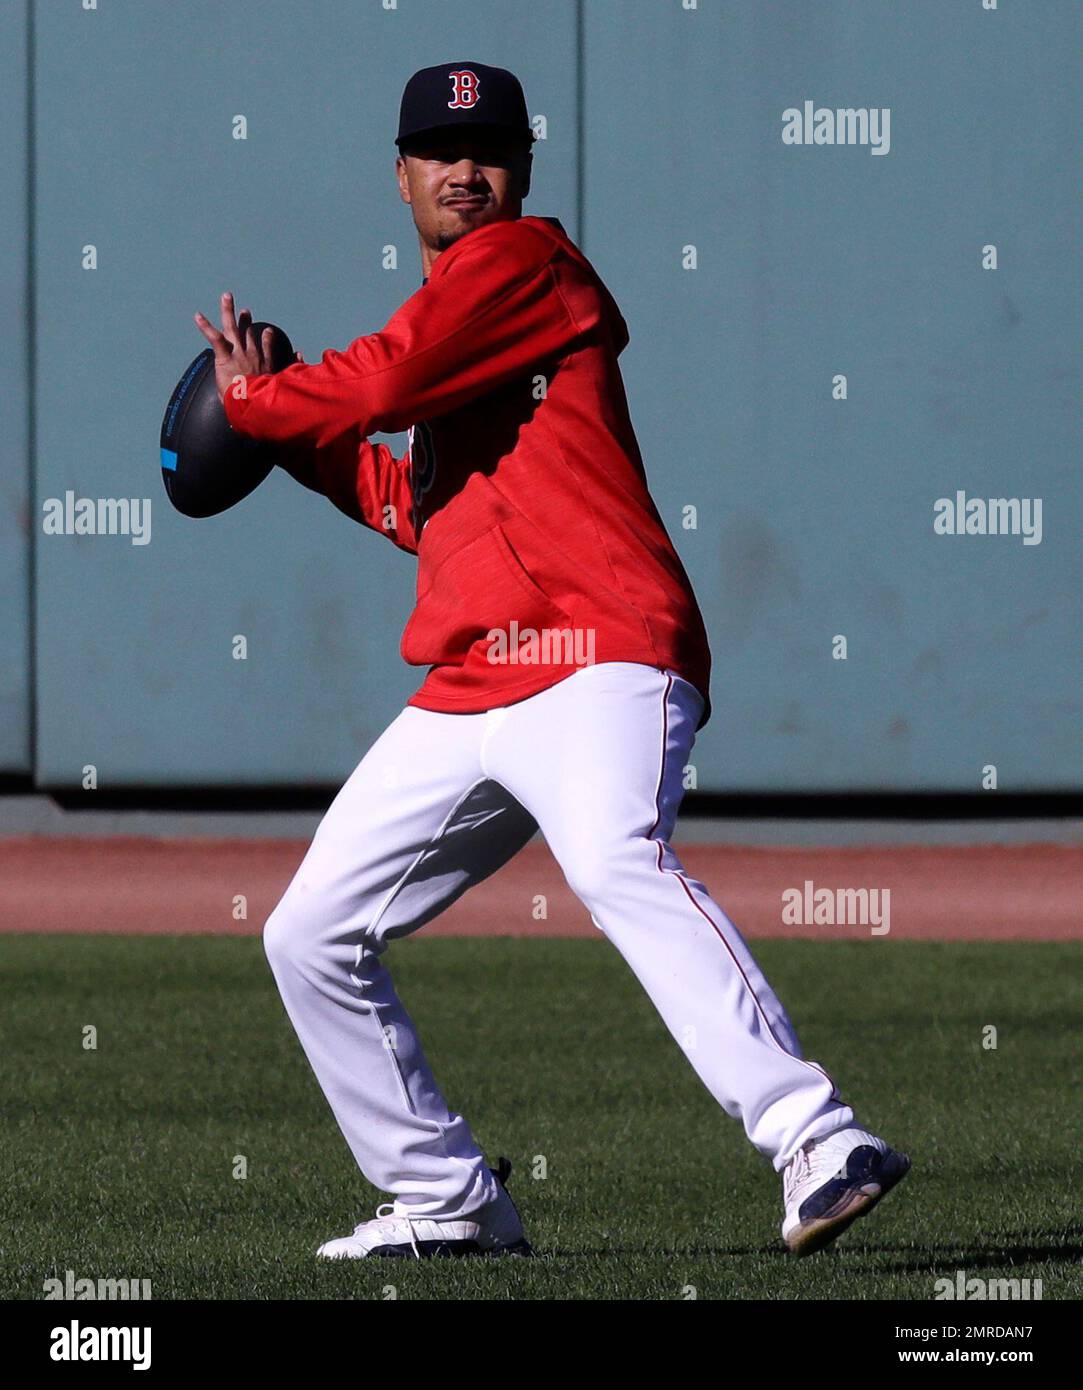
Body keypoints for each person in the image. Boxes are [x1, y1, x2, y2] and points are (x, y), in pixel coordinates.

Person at [194, 61, 908, 1260]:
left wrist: (270, 403)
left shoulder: (524, 266)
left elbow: (383, 380)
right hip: (476, 681)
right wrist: (292, 438)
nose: (467, 169)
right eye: (440, 149)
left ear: (520, 172)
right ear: (404, 176)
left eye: (490, 150)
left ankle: (816, 1134)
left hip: (600, 649)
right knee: (309, 931)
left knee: (620, 862)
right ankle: (449, 1197)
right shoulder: (456, 330)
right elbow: (409, 496)